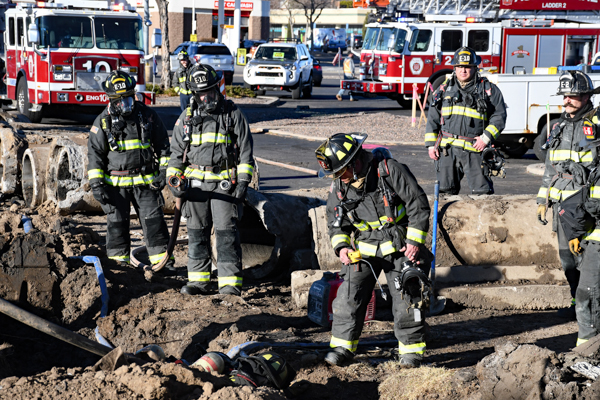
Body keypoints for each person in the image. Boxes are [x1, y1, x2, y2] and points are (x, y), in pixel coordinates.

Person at [315, 133, 432, 367]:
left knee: (408, 298)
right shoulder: (339, 184)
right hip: (364, 249)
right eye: (336, 174)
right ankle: (342, 348)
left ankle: (411, 353)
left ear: (355, 162)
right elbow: (335, 221)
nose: (340, 178)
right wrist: (341, 247)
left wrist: (414, 241)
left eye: (342, 172)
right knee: (348, 297)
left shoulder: (389, 170)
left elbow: (418, 204)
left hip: (399, 246)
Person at [167, 64, 255, 296]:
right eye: (201, 94)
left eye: (211, 92)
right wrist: (173, 180)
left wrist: (243, 181)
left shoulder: (233, 115)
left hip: (224, 187)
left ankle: (229, 284)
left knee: (226, 235)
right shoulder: (186, 119)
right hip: (195, 188)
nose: (207, 98)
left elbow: (246, 150)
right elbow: (175, 155)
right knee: (197, 234)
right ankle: (199, 282)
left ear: (218, 88)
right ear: (194, 95)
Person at [87, 70, 175, 272]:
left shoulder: (148, 115)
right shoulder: (102, 122)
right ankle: (119, 268)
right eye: (120, 101)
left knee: (155, 224)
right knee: (117, 226)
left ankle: (163, 266)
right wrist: (96, 185)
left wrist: (163, 171)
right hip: (116, 187)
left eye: (129, 99)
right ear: (111, 100)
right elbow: (95, 155)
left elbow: (163, 146)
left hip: (146, 184)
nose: (126, 105)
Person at [536, 71, 600, 322]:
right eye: (565, 96)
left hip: (587, 204)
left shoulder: (596, 124)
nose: (567, 101)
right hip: (562, 205)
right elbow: (550, 168)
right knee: (567, 258)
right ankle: (577, 302)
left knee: (587, 258)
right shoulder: (558, 127)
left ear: (586, 96)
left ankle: (590, 308)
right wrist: (542, 200)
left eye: (573, 96)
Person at [425, 46, 507, 195]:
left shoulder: (488, 90)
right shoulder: (444, 89)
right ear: (455, 68)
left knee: (482, 194)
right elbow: (432, 118)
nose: (463, 70)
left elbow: (499, 116)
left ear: (475, 68)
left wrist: (485, 138)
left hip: (475, 150)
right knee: (445, 194)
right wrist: (431, 145)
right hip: (448, 151)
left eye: (468, 67)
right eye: (460, 66)